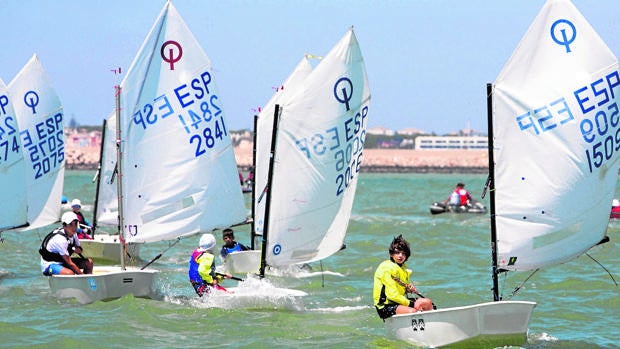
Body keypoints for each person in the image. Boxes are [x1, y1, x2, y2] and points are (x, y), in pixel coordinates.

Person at [373, 234, 434, 320]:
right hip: (385, 306)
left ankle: (430, 325)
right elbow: (392, 295)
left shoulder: (402, 267)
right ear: (391, 254)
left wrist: (408, 288)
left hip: (398, 302)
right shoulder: (387, 268)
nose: (400, 256)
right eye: (397, 253)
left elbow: (401, 285)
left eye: (403, 253)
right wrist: (411, 304)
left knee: (427, 302)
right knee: (413, 311)